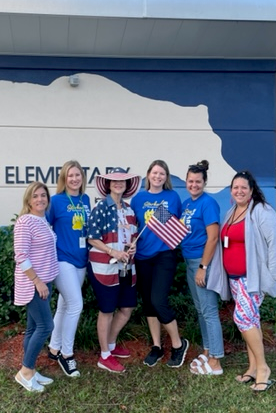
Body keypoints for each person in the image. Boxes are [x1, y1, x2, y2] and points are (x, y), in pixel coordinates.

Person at [220, 170, 276, 392]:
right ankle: (252, 368)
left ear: (251, 191)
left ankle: (264, 368)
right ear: (231, 191)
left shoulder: (260, 211)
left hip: (253, 279)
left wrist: (272, 277)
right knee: (252, 321)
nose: (239, 191)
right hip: (235, 279)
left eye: (243, 188)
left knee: (243, 319)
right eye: (235, 187)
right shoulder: (232, 211)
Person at [131, 160, 189, 368]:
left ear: (166, 177)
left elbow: (178, 224)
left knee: (158, 300)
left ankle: (178, 344)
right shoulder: (138, 199)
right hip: (143, 256)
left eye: (162, 174)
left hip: (165, 254)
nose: (158, 177)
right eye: (155, 173)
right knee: (148, 302)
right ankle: (156, 346)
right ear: (148, 175)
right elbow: (133, 227)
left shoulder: (172, 197)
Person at [86, 167, 140, 373]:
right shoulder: (100, 207)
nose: (118, 184)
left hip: (126, 267)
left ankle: (110, 344)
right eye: (114, 181)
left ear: (127, 185)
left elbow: (132, 236)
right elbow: (91, 237)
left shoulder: (129, 210)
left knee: (126, 308)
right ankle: (104, 356)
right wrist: (111, 251)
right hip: (104, 268)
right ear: (108, 185)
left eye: (122, 181)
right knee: (107, 310)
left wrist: (132, 246)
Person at [180, 160, 230, 375]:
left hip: (201, 262)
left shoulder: (207, 203)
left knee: (209, 311)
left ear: (204, 182)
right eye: (190, 181)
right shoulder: (187, 204)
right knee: (201, 309)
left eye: (198, 181)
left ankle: (216, 361)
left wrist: (203, 266)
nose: (194, 185)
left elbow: (212, 238)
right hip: (189, 261)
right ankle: (208, 351)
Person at [13, 181, 59, 393]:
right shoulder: (25, 222)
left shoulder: (43, 220)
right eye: (36, 196)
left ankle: (30, 371)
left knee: (33, 328)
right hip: (34, 284)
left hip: (44, 282)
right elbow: (21, 256)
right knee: (45, 327)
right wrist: (37, 281)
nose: (40, 199)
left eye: (43, 195)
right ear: (28, 200)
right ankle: (25, 371)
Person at [47, 160, 91, 377]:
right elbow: (43, 227)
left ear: (82, 178)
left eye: (78, 175)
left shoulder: (86, 200)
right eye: (70, 175)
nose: (74, 179)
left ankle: (54, 346)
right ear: (64, 178)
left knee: (64, 306)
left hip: (81, 259)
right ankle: (67, 355)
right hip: (62, 259)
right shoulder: (55, 201)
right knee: (76, 305)